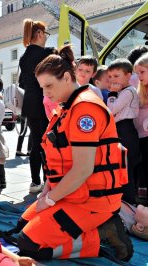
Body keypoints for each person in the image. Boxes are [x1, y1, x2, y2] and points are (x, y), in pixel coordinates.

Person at [15, 45, 133, 262]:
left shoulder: (84, 109)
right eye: (42, 87)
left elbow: (82, 170)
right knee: (21, 226)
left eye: (49, 86)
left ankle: (102, 233)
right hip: (70, 193)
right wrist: (45, 194)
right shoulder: (65, 108)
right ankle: (89, 229)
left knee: (29, 245)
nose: (46, 93)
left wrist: (49, 199)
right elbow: (56, 159)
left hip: (92, 200)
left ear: (67, 78)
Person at [19, 18, 55, 193]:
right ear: (40, 34)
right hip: (47, 103)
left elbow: (22, 82)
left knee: (35, 143)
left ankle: (35, 182)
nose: (46, 38)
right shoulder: (47, 53)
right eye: (46, 34)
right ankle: (50, 180)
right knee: (49, 143)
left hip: (30, 103)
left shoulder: (24, 57)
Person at [107, 58, 140, 204]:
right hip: (121, 129)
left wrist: (112, 94)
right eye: (110, 77)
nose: (113, 80)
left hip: (126, 130)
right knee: (121, 166)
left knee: (126, 167)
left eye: (116, 76)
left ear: (127, 76)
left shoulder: (128, 91)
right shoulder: (124, 91)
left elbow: (112, 110)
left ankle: (129, 200)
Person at [133, 53, 148, 203]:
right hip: (141, 136)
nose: (139, 76)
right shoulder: (141, 89)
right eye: (137, 73)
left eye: (142, 72)